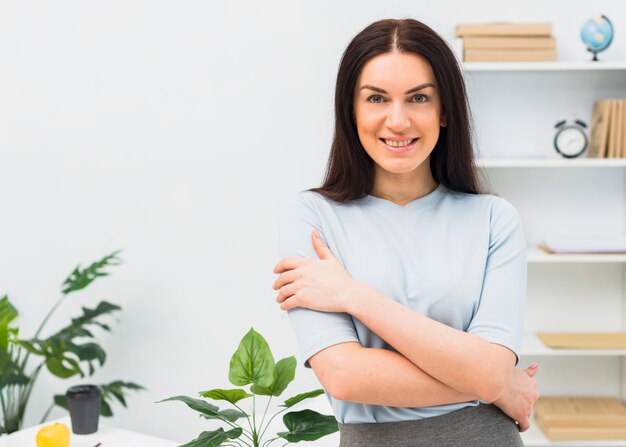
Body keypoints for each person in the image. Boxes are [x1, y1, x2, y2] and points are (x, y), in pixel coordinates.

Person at [271, 18, 539, 447]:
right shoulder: (312, 217)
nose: (397, 120)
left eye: (418, 98)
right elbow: (345, 376)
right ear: (351, 110)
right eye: (377, 98)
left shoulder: (494, 219)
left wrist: (354, 296)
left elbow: (490, 369)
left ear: (445, 109)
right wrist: (496, 385)